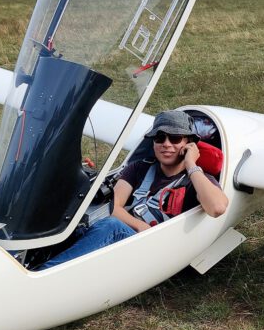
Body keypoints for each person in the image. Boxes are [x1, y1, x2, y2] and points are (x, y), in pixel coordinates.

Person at [38, 110, 228, 269]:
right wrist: (141, 227)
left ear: (188, 144)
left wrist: (190, 164)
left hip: (158, 247)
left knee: (112, 226)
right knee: (74, 221)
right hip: (132, 236)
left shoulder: (197, 179)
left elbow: (217, 208)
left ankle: (45, 272)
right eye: (160, 138)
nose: (167, 144)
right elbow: (116, 207)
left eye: (176, 138)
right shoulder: (139, 168)